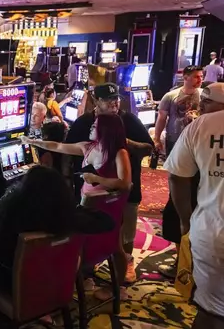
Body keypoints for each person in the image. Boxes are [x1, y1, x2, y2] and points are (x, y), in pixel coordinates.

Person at [22, 113, 132, 299]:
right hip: (87, 204)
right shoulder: (87, 147)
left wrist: (96, 178)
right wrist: (33, 142)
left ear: (105, 129)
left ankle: (117, 287)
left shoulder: (119, 152)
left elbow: (125, 183)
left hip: (109, 207)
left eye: (94, 125)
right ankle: (81, 278)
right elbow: (58, 146)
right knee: (83, 243)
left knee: (114, 246)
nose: (90, 127)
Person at [0, 166, 114, 294]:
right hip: (50, 277)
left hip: (6, 277)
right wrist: (75, 208)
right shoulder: (65, 215)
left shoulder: (11, 204)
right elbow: (108, 222)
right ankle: (44, 307)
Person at [66, 83, 153, 283]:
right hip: (91, 190)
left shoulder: (128, 119)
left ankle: (126, 265)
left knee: (125, 232)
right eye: (108, 99)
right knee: (89, 231)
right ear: (96, 101)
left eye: (116, 99)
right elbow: (69, 150)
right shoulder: (85, 122)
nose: (114, 103)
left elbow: (148, 148)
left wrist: (122, 141)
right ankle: (88, 268)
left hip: (125, 188)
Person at [163, 85, 224, 328]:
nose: (201, 106)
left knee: (212, 312)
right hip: (212, 231)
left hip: (212, 231)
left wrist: (186, 220)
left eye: (207, 101)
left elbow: (176, 176)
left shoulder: (202, 126)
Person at [154, 65, 203, 277]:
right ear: (185, 77)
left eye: (201, 76)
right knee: (177, 178)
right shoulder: (171, 96)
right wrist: (157, 138)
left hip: (199, 145)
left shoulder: (205, 96)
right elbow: (162, 119)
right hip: (176, 142)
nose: (200, 80)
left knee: (196, 185)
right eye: (196, 77)